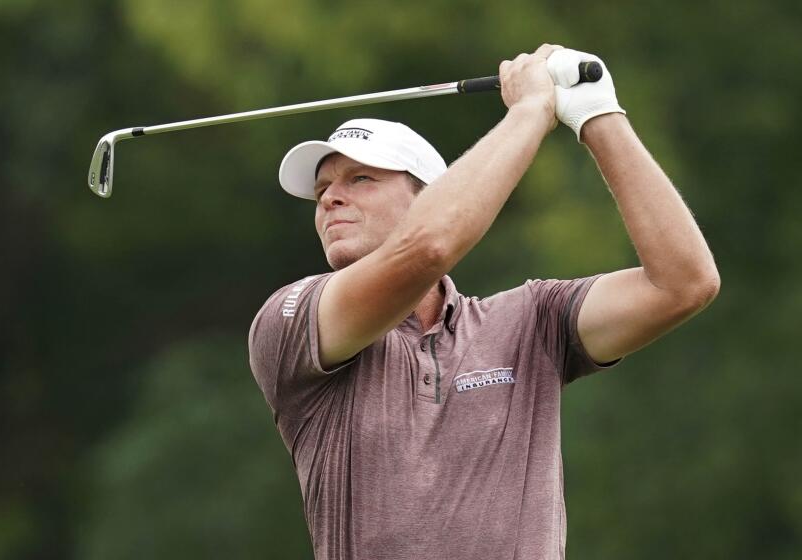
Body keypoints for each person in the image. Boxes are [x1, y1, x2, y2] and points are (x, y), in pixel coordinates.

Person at [248, 44, 719, 560]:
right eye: (322, 190)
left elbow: (683, 283)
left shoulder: (530, 321)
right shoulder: (293, 319)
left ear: (429, 195)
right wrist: (530, 111)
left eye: (361, 178)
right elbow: (428, 248)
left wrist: (597, 114)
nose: (331, 198)